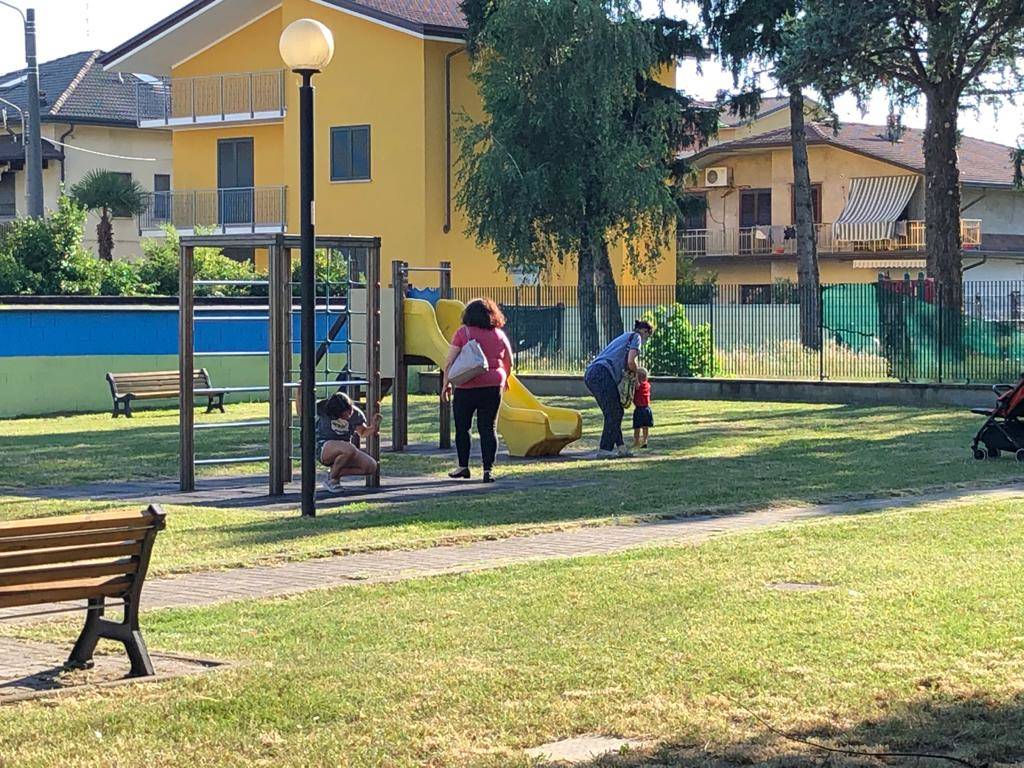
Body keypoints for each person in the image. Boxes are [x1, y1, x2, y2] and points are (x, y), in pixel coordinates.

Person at [442, 298, 513, 483]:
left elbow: (449, 361)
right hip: (492, 385)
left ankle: (463, 467)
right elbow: (509, 361)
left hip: (466, 386)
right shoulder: (498, 334)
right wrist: (505, 378)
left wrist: (446, 384)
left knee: (463, 428)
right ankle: (488, 470)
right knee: (488, 428)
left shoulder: (462, 333)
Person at [584, 319, 654, 458]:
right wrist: (635, 376)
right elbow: (631, 361)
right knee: (615, 412)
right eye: (648, 335)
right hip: (603, 373)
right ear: (645, 331)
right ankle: (605, 449)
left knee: (613, 412)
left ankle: (621, 447)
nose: (646, 339)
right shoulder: (636, 338)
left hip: (593, 373)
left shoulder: (624, 336)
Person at [316, 392, 383, 493]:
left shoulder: (355, 414)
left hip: (346, 450)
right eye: (343, 415)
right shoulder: (323, 408)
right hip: (324, 447)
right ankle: (333, 480)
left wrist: (374, 426)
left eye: (349, 411)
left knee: (371, 466)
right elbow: (301, 410)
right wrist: (300, 391)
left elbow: (363, 432)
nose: (348, 416)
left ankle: (334, 473)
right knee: (349, 448)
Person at [632, 366, 653, 449]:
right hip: (647, 409)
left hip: (639, 409)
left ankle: (636, 442)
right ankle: (645, 440)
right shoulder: (647, 385)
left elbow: (636, 386)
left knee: (637, 427)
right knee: (645, 427)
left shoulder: (637, 386)